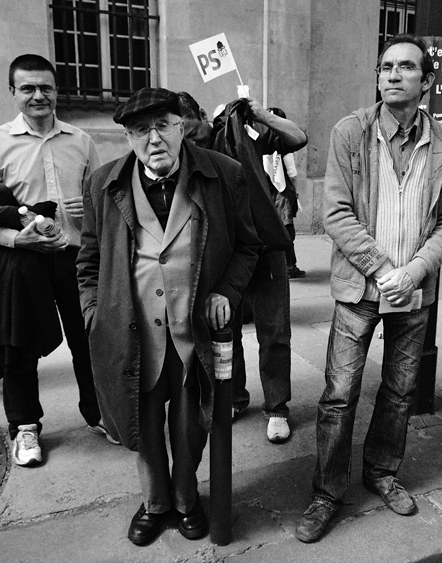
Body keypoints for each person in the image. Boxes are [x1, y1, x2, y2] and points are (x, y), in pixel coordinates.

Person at [295, 33, 442, 543]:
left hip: (413, 290)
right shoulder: (352, 132)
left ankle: (382, 471)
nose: (392, 74)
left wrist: (412, 272)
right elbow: (335, 213)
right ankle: (327, 491)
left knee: (399, 390)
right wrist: (381, 267)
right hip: (359, 288)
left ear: (426, 81)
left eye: (406, 67)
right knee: (339, 394)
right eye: (386, 66)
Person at [76, 87, 258, 546]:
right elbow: (88, 260)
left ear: (182, 127)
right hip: (131, 329)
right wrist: (95, 314)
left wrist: (227, 292)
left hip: (192, 327)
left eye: (162, 126)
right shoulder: (103, 183)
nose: (153, 139)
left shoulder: (224, 174)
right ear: (128, 137)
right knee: (143, 419)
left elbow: (248, 246)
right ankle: (154, 503)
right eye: (140, 131)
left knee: (191, 422)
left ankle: (185, 498)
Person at [0, 54, 109, 467]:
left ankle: (98, 412)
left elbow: (103, 198)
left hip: (75, 258)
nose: (38, 95)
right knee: (18, 348)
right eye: (27, 88)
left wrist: (90, 209)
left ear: (57, 91)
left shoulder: (81, 141)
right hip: (22, 261)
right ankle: (25, 427)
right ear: (13, 93)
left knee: (89, 340)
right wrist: (14, 237)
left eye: (46, 87)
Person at [214, 97, 307, 443]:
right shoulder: (207, 147)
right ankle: (234, 397)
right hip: (226, 253)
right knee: (226, 331)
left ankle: (277, 407)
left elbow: (297, 138)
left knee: (274, 331)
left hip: (266, 249)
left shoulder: (256, 138)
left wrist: (260, 114)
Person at [266, 107, 306, 280]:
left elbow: (291, 173)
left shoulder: (269, 142)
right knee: (284, 230)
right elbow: (292, 174)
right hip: (279, 193)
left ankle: (287, 266)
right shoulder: (276, 143)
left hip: (276, 193)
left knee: (282, 230)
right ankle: (288, 266)